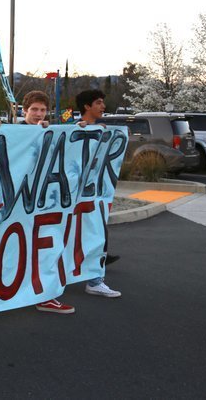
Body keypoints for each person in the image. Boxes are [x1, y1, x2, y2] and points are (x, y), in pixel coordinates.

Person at [16, 91, 76, 313]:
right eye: (34, 109)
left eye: (42, 110)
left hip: (43, 203)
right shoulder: (13, 133)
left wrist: (80, 130)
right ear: (24, 111)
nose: (38, 114)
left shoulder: (51, 132)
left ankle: (44, 295)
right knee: (16, 249)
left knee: (45, 249)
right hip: (18, 203)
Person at [76, 89, 122, 298]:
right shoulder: (74, 129)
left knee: (96, 235)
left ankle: (95, 281)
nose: (103, 106)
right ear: (87, 106)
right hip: (72, 198)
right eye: (98, 102)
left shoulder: (103, 130)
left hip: (93, 196)